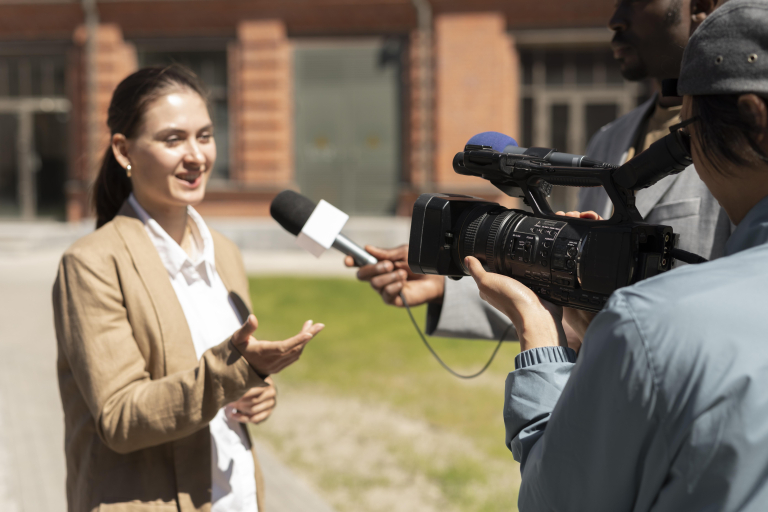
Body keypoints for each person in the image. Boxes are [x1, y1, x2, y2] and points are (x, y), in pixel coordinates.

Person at [466, 1, 768, 508]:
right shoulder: (611, 137)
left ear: (753, 121)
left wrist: (540, 336)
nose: (685, 146)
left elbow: (555, 499)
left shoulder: (649, 326)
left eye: (688, 133)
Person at [347, 0, 730, 346]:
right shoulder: (608, 138)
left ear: (701, 5)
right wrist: (452, 280)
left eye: (635, 1)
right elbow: (573, 293)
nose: (614, 19)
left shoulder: (741, 143)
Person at [52, 66, 324, 512]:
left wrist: (258, 392)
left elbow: (228, 380)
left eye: (205, 135)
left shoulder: (225, 252)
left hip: (234, 497)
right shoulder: (92, 264)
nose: (196, 155)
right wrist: (236, 374)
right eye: (173, 139)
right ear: (124, 150)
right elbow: (120, 417)